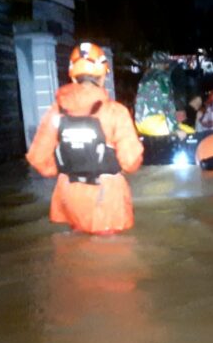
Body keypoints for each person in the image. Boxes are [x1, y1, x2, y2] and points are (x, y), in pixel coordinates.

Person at [26, 42, 144, 235]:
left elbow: (37, 158)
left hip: (69, 196)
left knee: (76, 252)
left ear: (72, 75)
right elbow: (131, 162)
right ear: (103, 75)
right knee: (111, 257)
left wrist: (68, 166)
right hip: (106, 197)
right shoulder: (116, 112)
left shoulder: (55, 112)